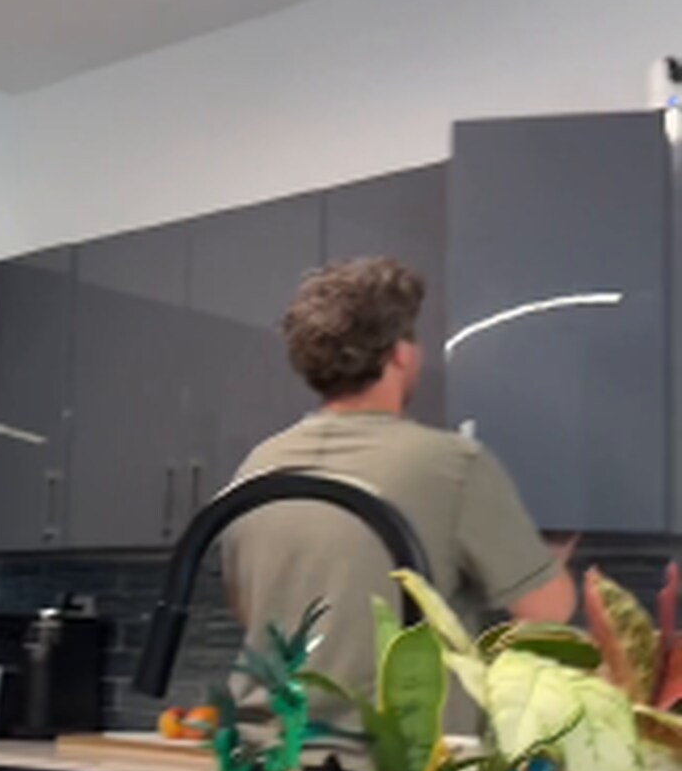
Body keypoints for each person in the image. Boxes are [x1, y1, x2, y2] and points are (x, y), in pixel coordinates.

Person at [221, 256, 576, 735]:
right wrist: (546, 561)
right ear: (400, 354)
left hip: (259, 762)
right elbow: (549, 613)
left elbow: (252, 609)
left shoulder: (257, 468)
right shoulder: (452, 465)